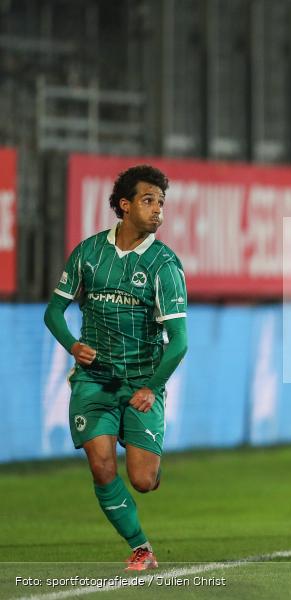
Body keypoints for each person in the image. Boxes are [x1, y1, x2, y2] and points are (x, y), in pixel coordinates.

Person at [43, 164, 188, 570]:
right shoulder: (89, 253)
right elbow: (54, 311)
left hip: (143, 383)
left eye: (161, 202)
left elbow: (179, 342)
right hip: (94, 382)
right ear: (124, 206)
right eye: (148, 200)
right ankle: (141, 547)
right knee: (102, 465)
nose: (158, 209)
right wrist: (73, 345)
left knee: (142, 481)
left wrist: (151, 388)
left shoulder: (164, 265)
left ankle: (147, 456)